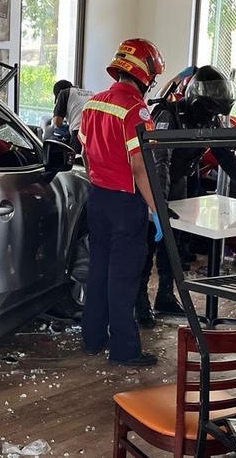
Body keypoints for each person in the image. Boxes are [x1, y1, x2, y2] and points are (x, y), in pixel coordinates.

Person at [137, 65, 236, 325]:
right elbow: (160, 161)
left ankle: (165, 296)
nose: (212, 116)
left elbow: (225, 155)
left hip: (179, 182)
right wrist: (159, 204)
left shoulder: (210, 120)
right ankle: (139, 303)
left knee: (173, 247)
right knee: (146, 248)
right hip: (152, 185)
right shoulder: (169, 114)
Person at [78, 38, 165, 367]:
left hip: (97, 199)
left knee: (98, 271)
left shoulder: (93, 104)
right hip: (126, 204)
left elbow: (85, 154)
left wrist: (98, 180)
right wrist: (156, 209)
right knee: (123, 278)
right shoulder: (135, 110)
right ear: (145, 74)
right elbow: (139, 167)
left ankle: (92, 338)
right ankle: (125, 350)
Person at [51, 79, 94, 153]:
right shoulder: (91, 93)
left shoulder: (64, 93)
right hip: (96, 134)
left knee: (75, 159)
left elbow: (57, 123)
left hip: (79, 133)